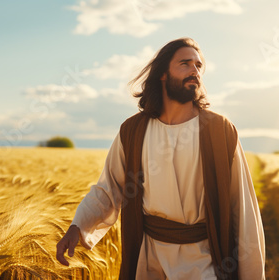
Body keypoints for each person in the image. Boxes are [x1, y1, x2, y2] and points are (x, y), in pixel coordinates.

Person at [56, 37, 265, 280]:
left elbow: (242, 210)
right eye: (185, 64)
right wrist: (78, 226)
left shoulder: (219, 130)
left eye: (198, 66)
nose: (195, 71)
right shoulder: (133, 131)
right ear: (163, 74)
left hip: (205, 258)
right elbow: (109, 189)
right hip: (148, 258)